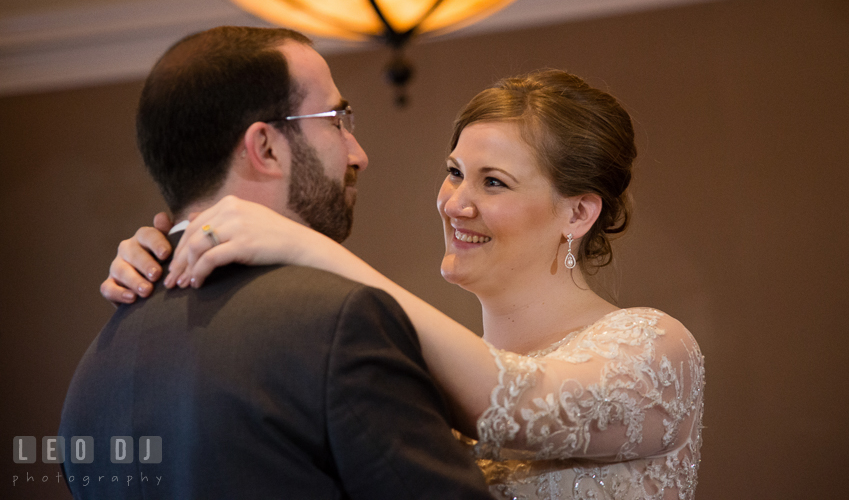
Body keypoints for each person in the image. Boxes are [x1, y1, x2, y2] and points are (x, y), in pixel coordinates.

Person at [105, 68, 706, 499]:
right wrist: (172, 257)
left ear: (578, 213)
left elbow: (519, 406)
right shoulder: (422, 386)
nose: (455, 204)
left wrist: (307, 249)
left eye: (493, 182)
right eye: (453, 174)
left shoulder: (656, 347)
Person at [59, 26, 492, 499]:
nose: (358, 154)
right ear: (264, 147)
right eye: (336, 119)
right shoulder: (338, 324)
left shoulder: (91, 378)